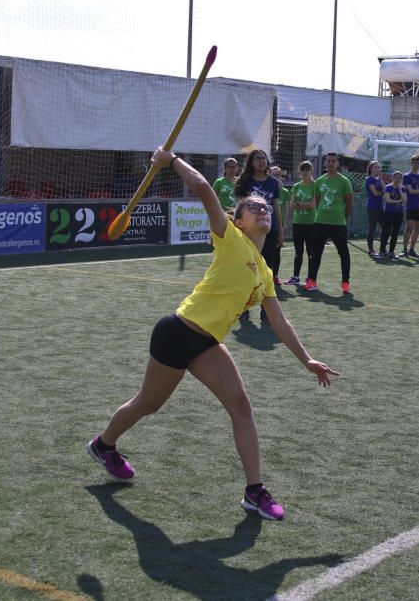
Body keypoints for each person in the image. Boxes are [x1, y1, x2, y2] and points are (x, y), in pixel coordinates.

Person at [87, 147, 339, 522]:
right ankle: (104, 444)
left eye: (266, 208)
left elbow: (281, 322)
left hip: (208, 344)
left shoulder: (265, 271)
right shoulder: (229, 238)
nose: (262, 210)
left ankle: (255, 491)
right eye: (253, 208)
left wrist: (307, 360)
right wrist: (170, 161)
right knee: (148, 404)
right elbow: (204, 187)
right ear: (237, 221)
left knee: (241, 406)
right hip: (177, 332)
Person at [234, 150, 282, 319]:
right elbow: (239, 208)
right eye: (257, 158)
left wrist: (280, 230)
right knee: (247, 268)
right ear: (251, 162)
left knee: (267, 270)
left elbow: (276, 207)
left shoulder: (273, 183)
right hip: (249, 232)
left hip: (269, 231)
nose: (261, 161)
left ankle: (266, 310)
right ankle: (243, 308)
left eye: (263, 158)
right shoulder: (245, 181)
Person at [306, 153, 353, 292]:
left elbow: (349, 203)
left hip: (338, 224)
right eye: (328, 161)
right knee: (316, 254)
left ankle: (345, 282)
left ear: (338, 163)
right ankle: (312, 281)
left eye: (333, 161)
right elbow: (318, 201)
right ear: (325, 163)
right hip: (320, 222)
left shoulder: (344, 181)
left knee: (343, 253)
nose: (330, 163)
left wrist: (343, 217)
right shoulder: (319, 181)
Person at [286, 161, 318, 284]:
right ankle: (295, 276)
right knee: (298, 251)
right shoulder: (296, 186)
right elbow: (292, 204)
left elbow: (312, 204)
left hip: (311, 223)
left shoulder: (315, 186)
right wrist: (302, 205)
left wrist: (300, 204)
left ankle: (310, 278)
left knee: (311, 251)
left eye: (307, 169)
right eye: (302, 169)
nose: (305, 172)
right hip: (297, 223)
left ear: (311, 171)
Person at [401, 155, 419, 257]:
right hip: (411, 206)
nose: (416, 164)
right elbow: (411, 191)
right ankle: (404, 250)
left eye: (418, 163)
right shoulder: (407, 176)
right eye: (415, 162)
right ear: (411, 163)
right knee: (409, 228)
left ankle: (412, 250)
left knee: (417, 229)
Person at [378, 171, 406, 258]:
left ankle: (391, 252)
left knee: (395, 233)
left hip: (399, 213)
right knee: (386, 232)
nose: (398, 179)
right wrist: (399, 201)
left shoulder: (403, 188)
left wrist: (400, 189)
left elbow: (405, 200)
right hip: (389, 213)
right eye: (396, 177)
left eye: (399, 178)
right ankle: (382, 251)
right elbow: (388, 200)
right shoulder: (388, 187)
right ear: (393, 178)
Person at [364, 160, 384, 256]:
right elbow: (375, 193)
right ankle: (371, 250)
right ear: (371, 168)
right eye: (375, 167)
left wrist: (380, 179)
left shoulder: (379, 179)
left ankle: (383, 249)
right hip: (372, 207)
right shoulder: (369, 179)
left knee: (385, 227)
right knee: (372, 228)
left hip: (380, 207)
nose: (377, 169)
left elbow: (384, 188)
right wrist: (383, 192)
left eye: (378, 167)